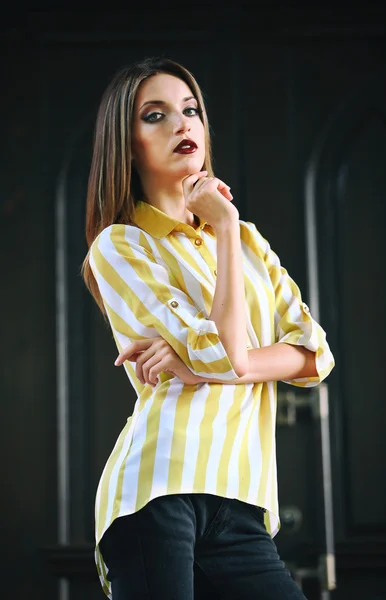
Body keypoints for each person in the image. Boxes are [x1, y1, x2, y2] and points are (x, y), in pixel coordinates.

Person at [82, 56, 335, 600]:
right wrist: (224, 357)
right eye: (155, 115)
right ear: (127, 144)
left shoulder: (246, 240)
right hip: (158, 491)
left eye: (190, 110)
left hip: (240, 502)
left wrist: (202, 360)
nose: (182, 125)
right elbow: (230, 355)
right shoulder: (121, 245)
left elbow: (314, 355)